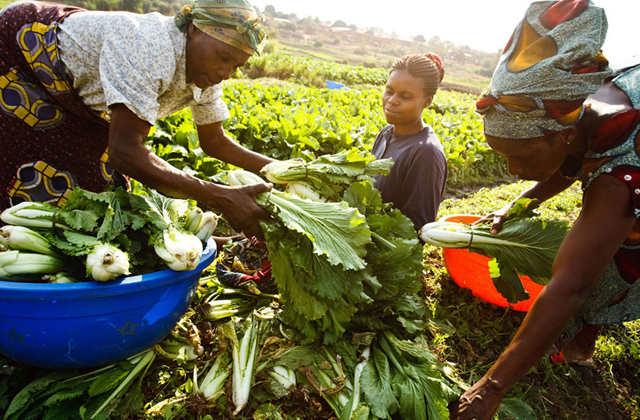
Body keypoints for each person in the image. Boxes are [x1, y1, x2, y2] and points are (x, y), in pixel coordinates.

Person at [448, 1, 640, 419]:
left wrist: (490, 388)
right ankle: (579, 338)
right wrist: (517, 204)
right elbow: (571, 161)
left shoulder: (617, 172)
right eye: (506, 161)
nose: (515, 171)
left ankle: (582, 341)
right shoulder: (574, 115)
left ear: (564, 137)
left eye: (522, 158)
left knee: (621, 252)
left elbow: (570, 285)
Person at [0, 0, 274, 239]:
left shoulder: (209, 73)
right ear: (193, 30)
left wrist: (285, 171)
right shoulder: (149, 46)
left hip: (76, 97)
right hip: (21, 54)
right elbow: (125, 153)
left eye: (236, 66)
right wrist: (221, 197)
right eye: (223, 57)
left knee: (94, 190)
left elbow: (214, 141)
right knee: (31, 180)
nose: (226, 72)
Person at [371, 53, 448, 231]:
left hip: (384, 255)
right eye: (389, 91)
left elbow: (415, 231)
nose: (391, 101)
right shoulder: (387, 133)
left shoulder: (427, 153)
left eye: (405, 97)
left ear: (427, 101)